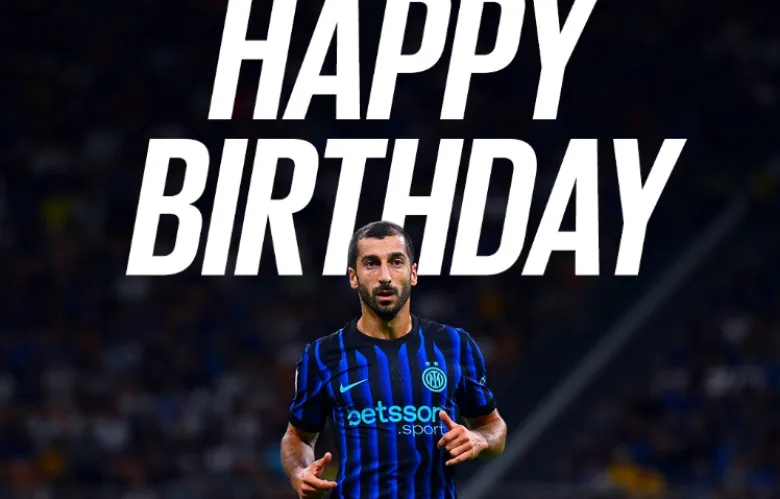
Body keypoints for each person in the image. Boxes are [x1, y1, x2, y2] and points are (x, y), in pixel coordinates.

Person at [281, 221, 507, 499]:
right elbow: (298, 436)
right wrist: (299, 472)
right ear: (354, 277)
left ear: (413, 274)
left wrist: (480, 438)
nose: (385, 276)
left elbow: (494, 427)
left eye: (396, 262)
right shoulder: (322, 355)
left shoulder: (455, 345)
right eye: (371, 264)